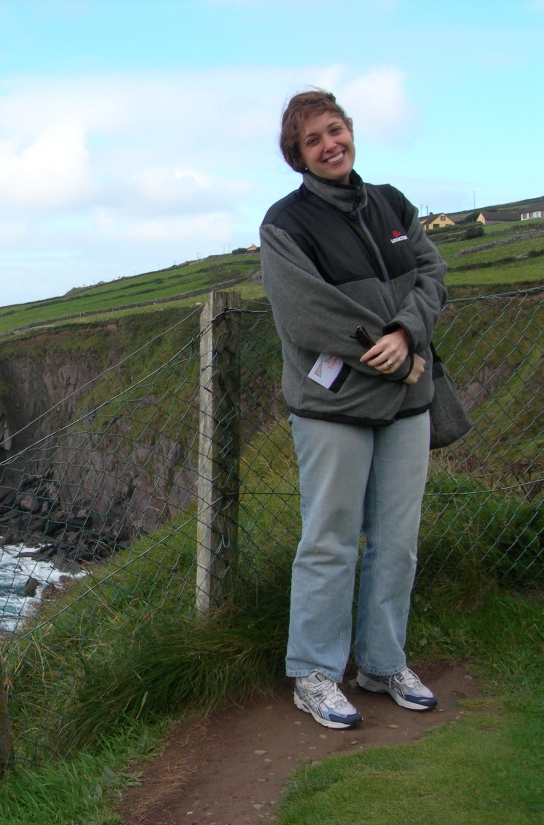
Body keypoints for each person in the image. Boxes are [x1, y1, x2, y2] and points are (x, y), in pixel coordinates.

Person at [259, 89, 448, 730]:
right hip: (333, 406)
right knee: (329, 541)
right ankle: (314, 673)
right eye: (312, 140)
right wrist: (389, 352)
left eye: (334, 130)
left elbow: (431, 274)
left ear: (350, 132)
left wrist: (406, 334)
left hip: (406, 401)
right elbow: (306, 314)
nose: (329, 145)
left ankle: (382, 663)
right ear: (298, 155)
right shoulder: (285, 224)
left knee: (397, 541)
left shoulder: (393, 203)